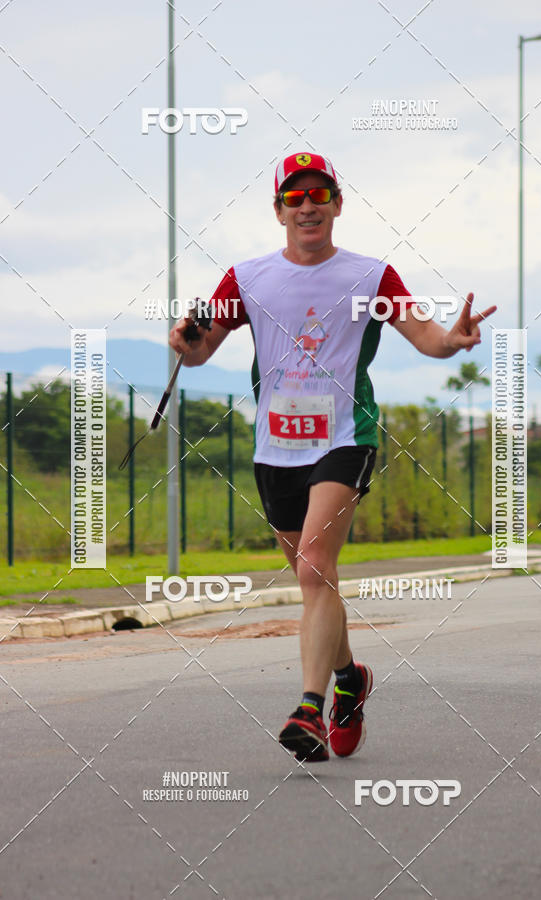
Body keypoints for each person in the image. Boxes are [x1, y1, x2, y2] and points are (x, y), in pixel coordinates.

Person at [169, 152, 496, 763]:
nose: (309, 204)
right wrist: (184, 342)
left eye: (320, 193)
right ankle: (351, 678)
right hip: (276, 446)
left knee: (316, 564)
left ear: (338, 205)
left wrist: (454, 340)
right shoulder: (246, 278)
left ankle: (309, 707)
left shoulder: (372, 276)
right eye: (295, 197)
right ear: (279, 212)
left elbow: (428, 336)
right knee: (309, 575)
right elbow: (199, 351)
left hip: (347, 436)